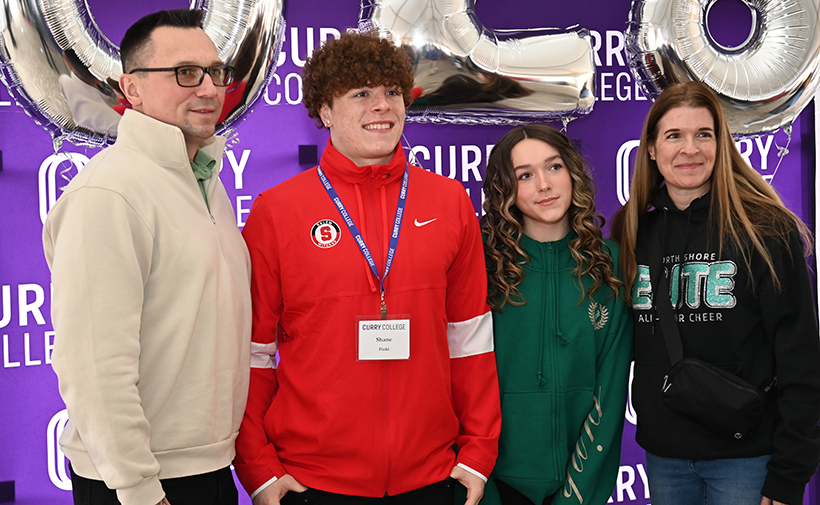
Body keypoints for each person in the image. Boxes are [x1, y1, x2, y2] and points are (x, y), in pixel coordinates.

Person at [234, 31, 502, 505]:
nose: (382, 105)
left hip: (432, 479)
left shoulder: (450, 201)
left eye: (392, 92)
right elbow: (252, 355)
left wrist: (477, 455)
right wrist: (258, 469)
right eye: (361, 93)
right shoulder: (278, 212)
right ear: (325, 111)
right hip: (312, 481)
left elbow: (470, 338)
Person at [42, 9, 252, 505]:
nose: (207, 89)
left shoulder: (202, 179)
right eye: (184, 73)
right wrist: (138, 489)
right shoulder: (109, 192)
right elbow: (94, 366)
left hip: (208, 468)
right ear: (132, 89)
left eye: (215, 73)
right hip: (140, 484)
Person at [611, 81, 820, 505]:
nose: (689, 149)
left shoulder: (764, 231)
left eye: (703, 134)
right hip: (665, 460)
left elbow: (801, 356)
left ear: (721, 144)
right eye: (674, 136)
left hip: (748, 461)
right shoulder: (633, 232)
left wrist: (788, 476)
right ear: (651, 149)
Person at [480, 125, 633, 505]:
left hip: (578, 487)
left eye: (554, 167)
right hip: (490, 484)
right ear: (506, 191)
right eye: (525, 176)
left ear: (573, 173)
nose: (544, 185)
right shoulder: (480, 265)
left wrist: (575, 495)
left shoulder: (610, 264)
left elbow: (610, 390)